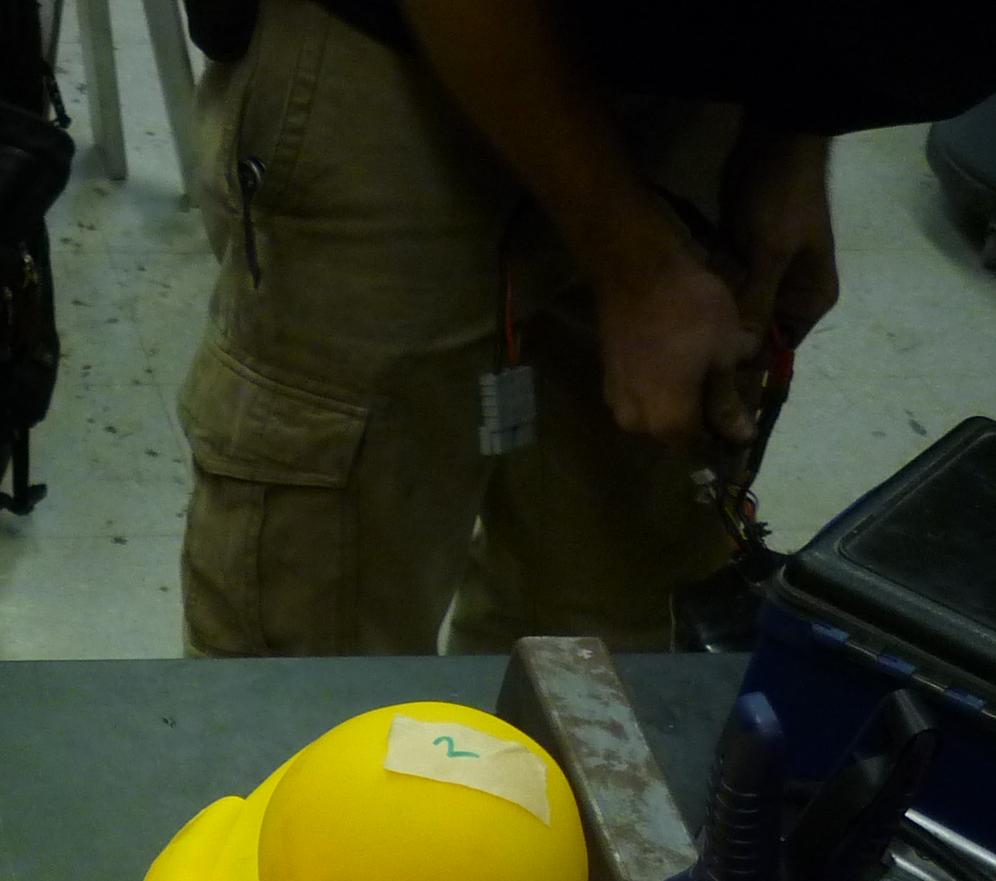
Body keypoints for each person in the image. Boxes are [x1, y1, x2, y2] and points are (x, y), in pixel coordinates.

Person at [175, 0, 996, 658]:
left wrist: (792, 133)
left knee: (611, 631)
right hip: (402, 50)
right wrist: (638, 265)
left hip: (696, 70)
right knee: (317, 644)